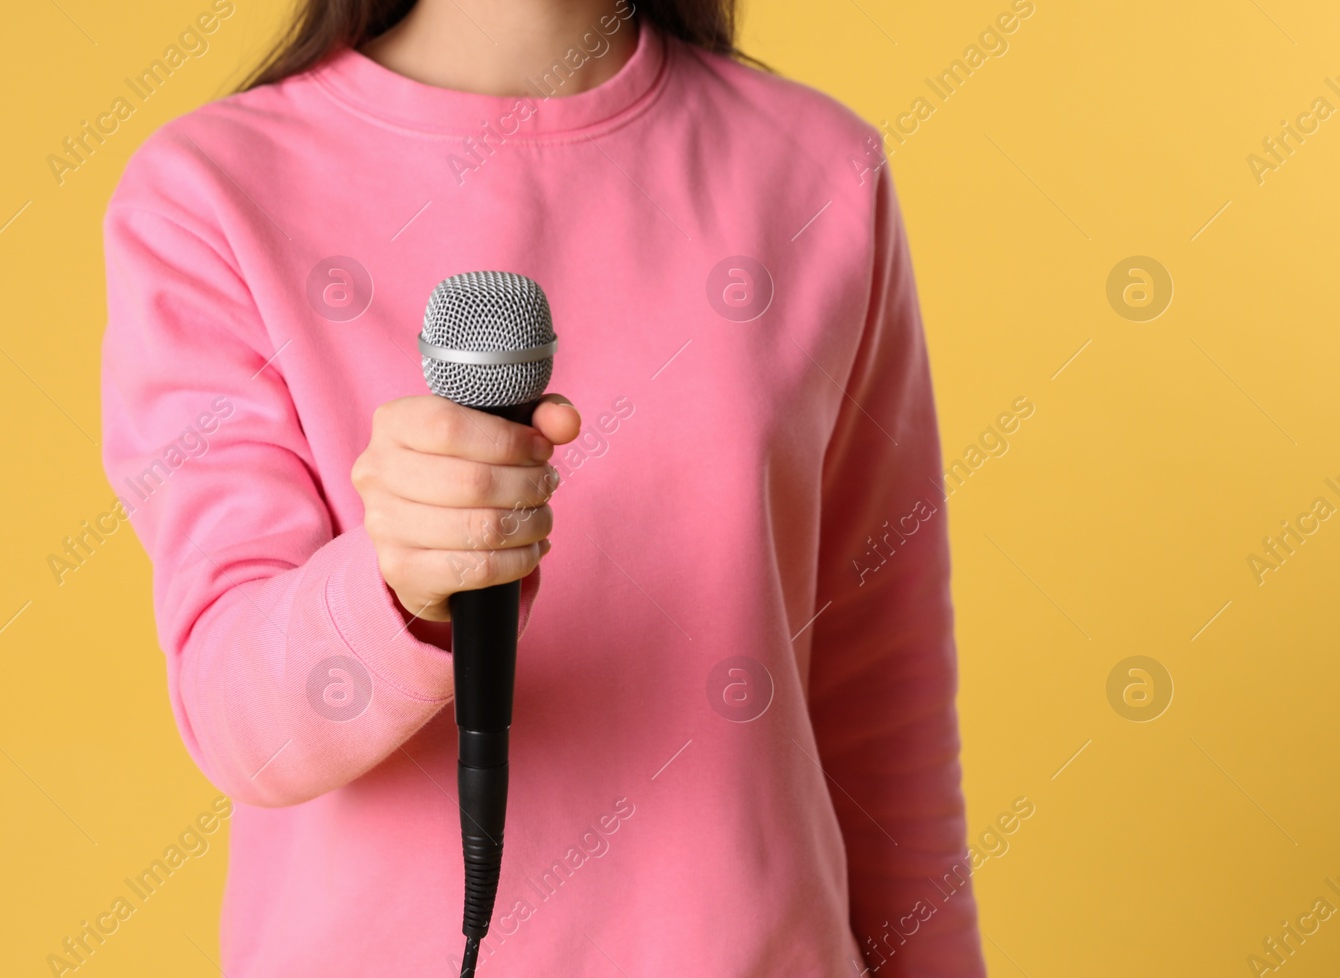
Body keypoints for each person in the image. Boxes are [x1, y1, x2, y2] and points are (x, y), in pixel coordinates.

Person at [98, 0, 987, 973]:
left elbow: (881, 701)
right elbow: (239, 721)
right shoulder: (211, 192)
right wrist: (395, 583)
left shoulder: (817, 169)